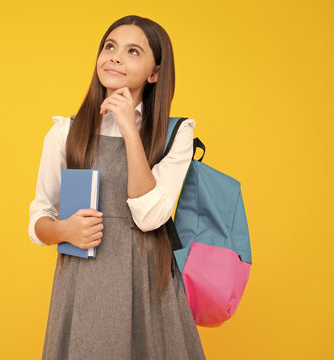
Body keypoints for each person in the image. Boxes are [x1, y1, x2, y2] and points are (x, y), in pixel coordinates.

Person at [28, 15, 206, 360]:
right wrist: (64, 230)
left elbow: (150, 217)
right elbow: (39, 219)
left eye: (133, 51)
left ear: (155, 72)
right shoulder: (65, 132)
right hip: (83, 284)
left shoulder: (176, 133)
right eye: (110, 47)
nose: (115, 57)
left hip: (149, 285)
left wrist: (129, 129)